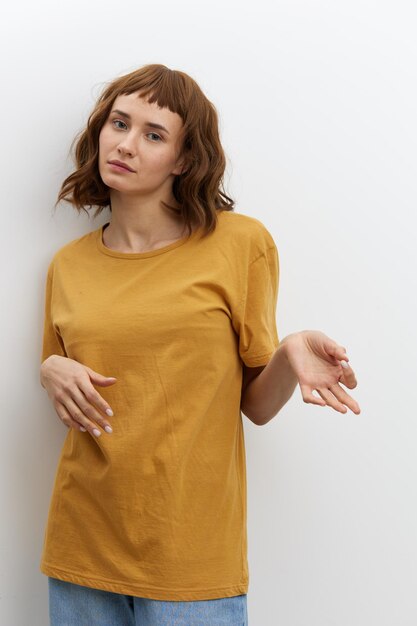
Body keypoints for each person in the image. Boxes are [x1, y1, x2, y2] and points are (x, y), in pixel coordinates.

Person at [39, 63, 361, 626]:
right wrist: (49, 369)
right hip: (81, 547)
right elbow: (69, 388)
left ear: (185, 160)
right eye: (119, 123)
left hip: (191, 556)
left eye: (154, 134)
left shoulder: (239, 243)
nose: (126, 144)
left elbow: (255, 406)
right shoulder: (67, 265)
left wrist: (286, 353)